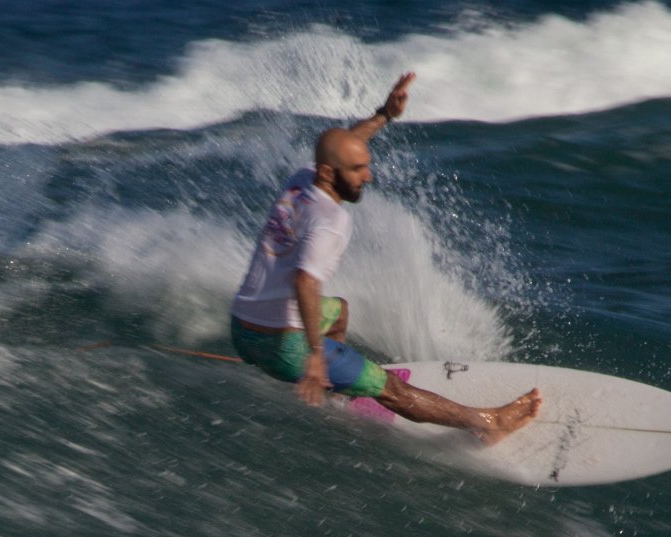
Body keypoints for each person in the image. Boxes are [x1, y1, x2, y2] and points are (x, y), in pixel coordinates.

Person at [231, 73, 540, 444]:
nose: (369, 176)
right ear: (330, 174)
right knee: (392, 389)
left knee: (339, 310)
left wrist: (384, 114)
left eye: (366, 165)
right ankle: (489, 423)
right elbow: (305, 282)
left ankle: (336, 387)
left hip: (243, 329)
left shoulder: (302, 181)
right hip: (285, 346)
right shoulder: (330, 221)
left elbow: (350, 143)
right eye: (358, 170)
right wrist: (314, 356)